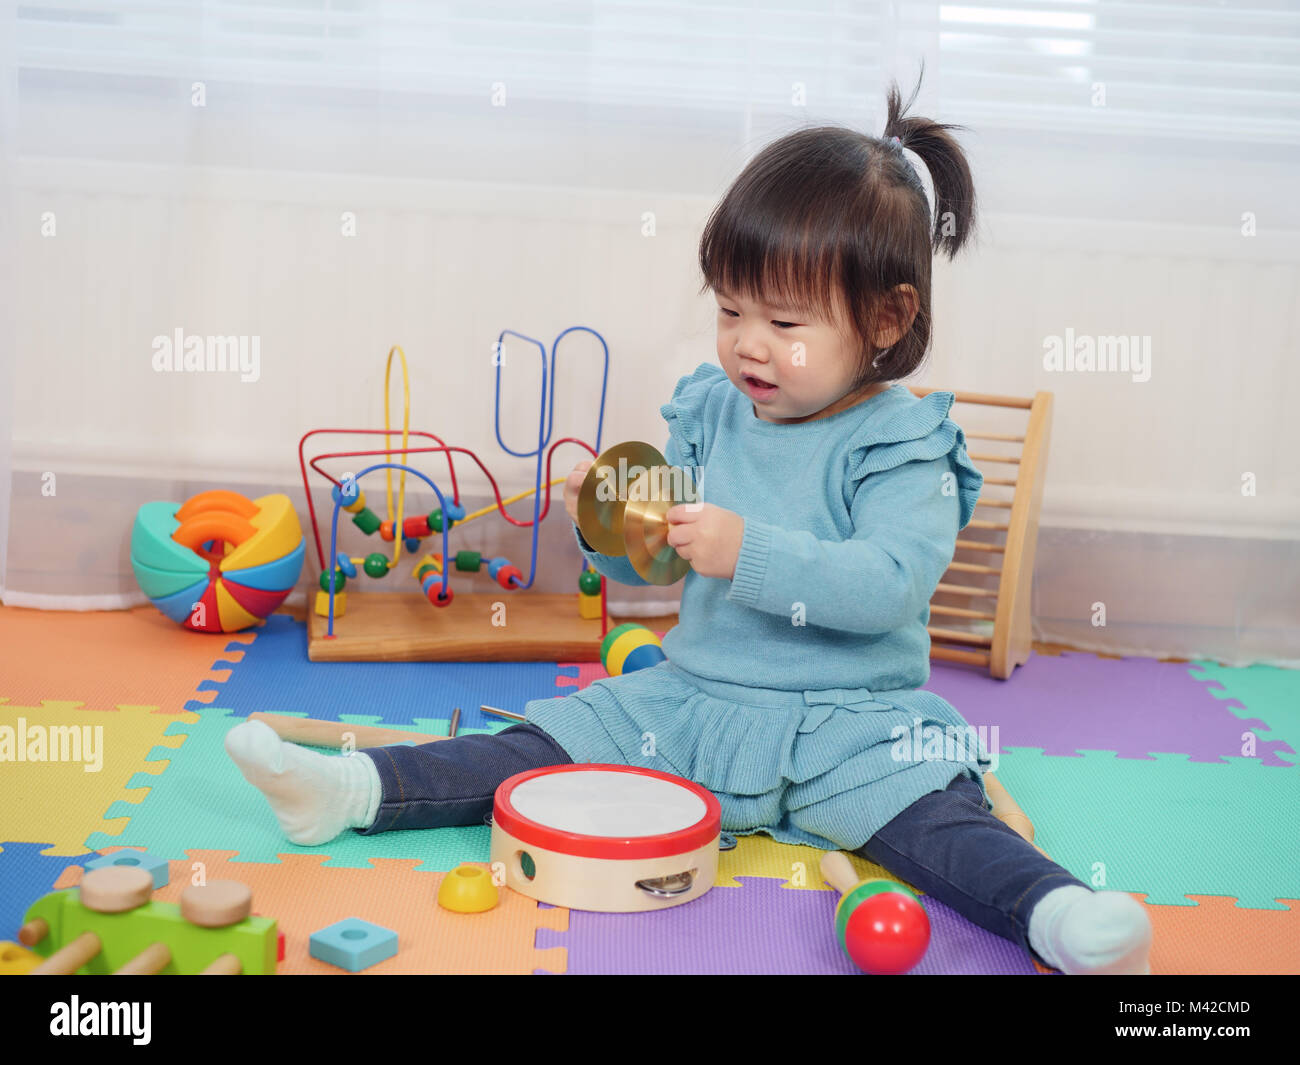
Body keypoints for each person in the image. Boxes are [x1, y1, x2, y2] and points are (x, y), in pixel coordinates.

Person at [226, 75, 1151, 975]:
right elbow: (657, 560)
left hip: (851, 723)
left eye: (783, 318)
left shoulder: (903, 443)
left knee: (940, 821)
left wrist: (747, 549)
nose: (747, 339)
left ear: (885, 317)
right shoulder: (713, 407)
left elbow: (889, 585)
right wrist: (604, 516)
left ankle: (1061, 915)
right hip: (692, 700)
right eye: (730, 308)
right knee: (537, 748)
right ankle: (349, 789)